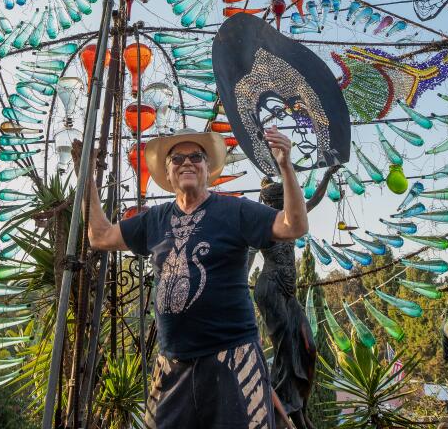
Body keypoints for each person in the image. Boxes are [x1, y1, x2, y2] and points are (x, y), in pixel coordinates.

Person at [86, 126, 308, 429]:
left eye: (196, 157)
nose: (187, 162)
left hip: (232, 361)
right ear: (168, 171)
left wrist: (285, 166)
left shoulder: (235, 210)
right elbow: (99, 237)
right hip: (171, 365)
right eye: (177, 158)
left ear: (208, 169)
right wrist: (86, 176)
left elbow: (293, 226)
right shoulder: (156, 218)